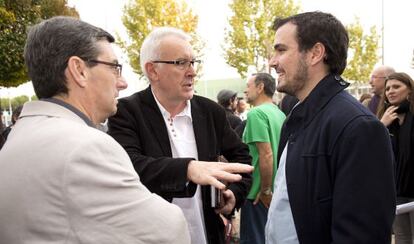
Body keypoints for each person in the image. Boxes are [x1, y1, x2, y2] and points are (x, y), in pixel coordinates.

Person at [0, 17, 191, 243]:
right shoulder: (87, 147)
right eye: (114, 68)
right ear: (79, 70)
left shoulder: (16, 138)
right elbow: (168, 231)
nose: (123, 83)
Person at [107, 27, 253, 244]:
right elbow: (130, 167)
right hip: (151, 236)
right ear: (152, 70)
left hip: (207, 234)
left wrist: (233, 193)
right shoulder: (127, 112)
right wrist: (188, 169)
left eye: (193, 62)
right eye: (181, 63)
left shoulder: (210, 111)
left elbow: (243, 158)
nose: (192, 71)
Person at [265, 11, 396, 244]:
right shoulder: (296, 119)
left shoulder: (358, 127)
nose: (273, 61)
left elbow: (362, 235)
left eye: (281, 50)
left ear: (316, 53)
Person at [239, 73, 285, 244]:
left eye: (248, 85)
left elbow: (266, 153)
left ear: (260, 88)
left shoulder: (256, 114)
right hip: (275, 191)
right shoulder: (279, 113)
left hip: (258, 194)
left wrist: (265, 190)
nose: (245, 90)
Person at [377, 72, 414, 244]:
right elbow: (370, 150)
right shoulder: (383, 120)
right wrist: (381, 126)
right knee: (402, 238)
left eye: (396, 87)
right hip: (396, 192)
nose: (390, 91)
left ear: (410, 90)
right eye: (388, 88)